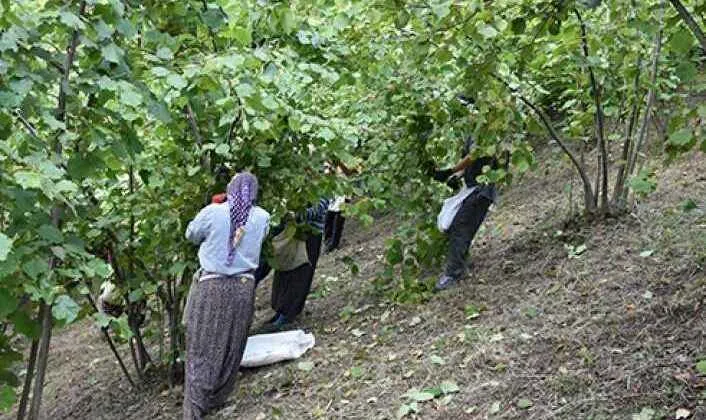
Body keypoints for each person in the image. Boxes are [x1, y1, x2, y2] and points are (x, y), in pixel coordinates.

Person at [183, 172, 270, 420]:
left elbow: (191, 234)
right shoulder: (263, 217)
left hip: (211, 287)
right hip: (243, 288)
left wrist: (215, 206)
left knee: (201, 347)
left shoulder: (213, 212)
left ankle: (195, 409)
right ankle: (216, 397)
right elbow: (257, 238)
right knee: (231, 345)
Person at [432, 132, 498, 291]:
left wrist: (451, 170)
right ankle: (460, 263)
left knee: (460, 226)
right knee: (456, 225)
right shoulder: (475, 127)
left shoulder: (487, 124)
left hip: (482, 188)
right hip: (474, 187)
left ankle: (453, 274)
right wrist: (456, 175)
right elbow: (474, 160)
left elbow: (476, 154)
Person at [258, 198, 330, 330]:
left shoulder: (324, 185)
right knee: (285, 270)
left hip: (310, 235)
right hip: (294, 233)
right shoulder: (301, 183)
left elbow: (318, 209)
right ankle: (280, 311)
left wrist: (294, 216)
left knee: (300, 274)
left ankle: (287, 315)